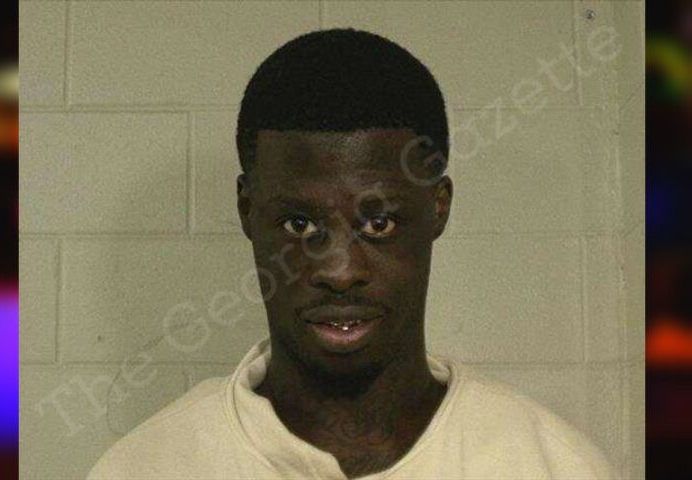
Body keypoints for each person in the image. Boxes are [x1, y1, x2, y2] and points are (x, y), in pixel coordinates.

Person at [88, 28, 615, 480]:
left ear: (438, 208)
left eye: (378, 224)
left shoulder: (552, 465)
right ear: (248, 211)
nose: (340, 272)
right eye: (299, 224)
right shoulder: (148, 466)